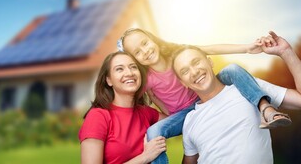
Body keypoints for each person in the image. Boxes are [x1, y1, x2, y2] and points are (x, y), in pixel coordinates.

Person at [118, 28, 291, 163]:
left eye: (145, 43)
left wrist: (246, 48)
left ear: (152, 39)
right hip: (184, 114)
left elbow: (212, 49)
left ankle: (265, 109)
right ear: (136, 60)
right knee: (154, 130)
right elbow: (130, 97)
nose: (145, 51)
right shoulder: (147, 78)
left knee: (231, 69)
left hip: (206, 91)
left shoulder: (177, 54)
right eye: (138, 53)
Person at [172, 31, 301, 163]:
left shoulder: (249, 87)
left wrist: (286, 51)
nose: (194, 72)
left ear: (210, 62)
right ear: (183, 82)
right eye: (185, 71)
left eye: (196, 62)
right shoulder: (189, 121)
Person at [79, 51, 167, 164]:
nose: (129, 73)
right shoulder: (98, 116)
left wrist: (153, 96)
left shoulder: (145, 112)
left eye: (133, 67)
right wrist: (145, 157)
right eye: (119, 69)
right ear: (109, 80)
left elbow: (176, 121)